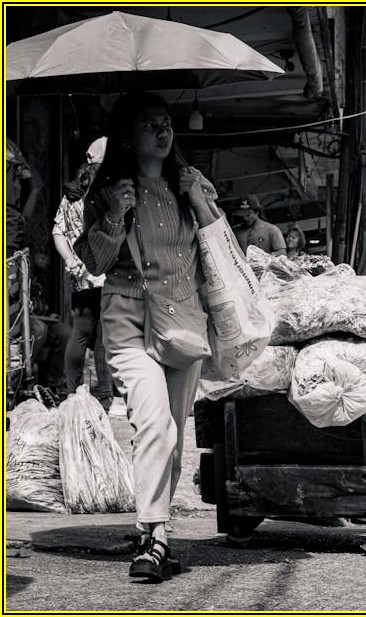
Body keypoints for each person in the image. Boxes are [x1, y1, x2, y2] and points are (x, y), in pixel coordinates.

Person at [74, 91, 222, 582]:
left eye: (167, 123)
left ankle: (156, 536)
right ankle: (154, 537)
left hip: (182, 319)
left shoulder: (190, 186)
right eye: (149, 125)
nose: (163, 133)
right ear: (126, 137)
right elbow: (92, 263)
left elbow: (220, 249)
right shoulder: (108, 192)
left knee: (174, 434)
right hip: (128, 318)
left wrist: (200, 201)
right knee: (154, 420)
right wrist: (115, 216)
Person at [52, 143, 117, 410]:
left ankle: (71, 393)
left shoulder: (72, 192)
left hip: (80, 273)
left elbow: (58, 231)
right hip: (106, 271)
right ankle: (103, 395)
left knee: (81, 331)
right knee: (104, 335)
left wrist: (69, 259)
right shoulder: (108, 189)